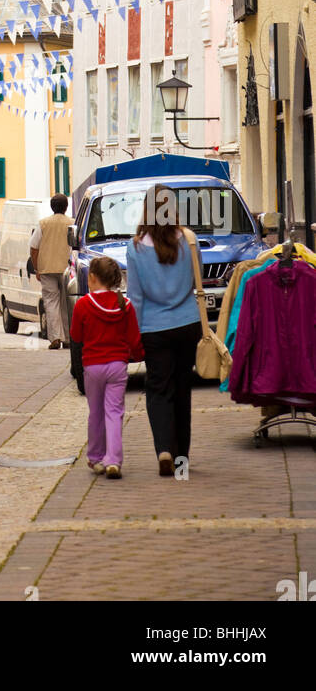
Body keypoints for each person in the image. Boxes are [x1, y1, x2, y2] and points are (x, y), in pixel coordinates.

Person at [125, 185, 203, 477]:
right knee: (183, 391)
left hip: (154, 328)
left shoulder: (135, 248)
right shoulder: (189, 241)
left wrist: (135, 335)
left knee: (158, 390)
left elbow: (136, 297)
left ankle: (164, 450)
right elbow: (198, 283)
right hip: (187, 324)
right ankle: (182, 462)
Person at [69, 256, 143, 480]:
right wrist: (140, 355)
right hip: (118, 366)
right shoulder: (125, 305)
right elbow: (134, 339)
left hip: (93, 366)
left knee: (96, 413)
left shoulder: (83, 304)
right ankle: (113, 460)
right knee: (114, 412)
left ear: (91, 278)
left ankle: (95, 456)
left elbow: (76, 336)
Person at [30, 193, 74, 350]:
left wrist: (37, 268)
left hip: (47, 268)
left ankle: (55, 338)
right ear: (66, 207)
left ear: (51, 207)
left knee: (51, 302)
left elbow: (34, 248)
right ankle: (69, 338)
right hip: (67, 269)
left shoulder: (43, 224)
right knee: (67, 303)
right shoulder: (73, 223)